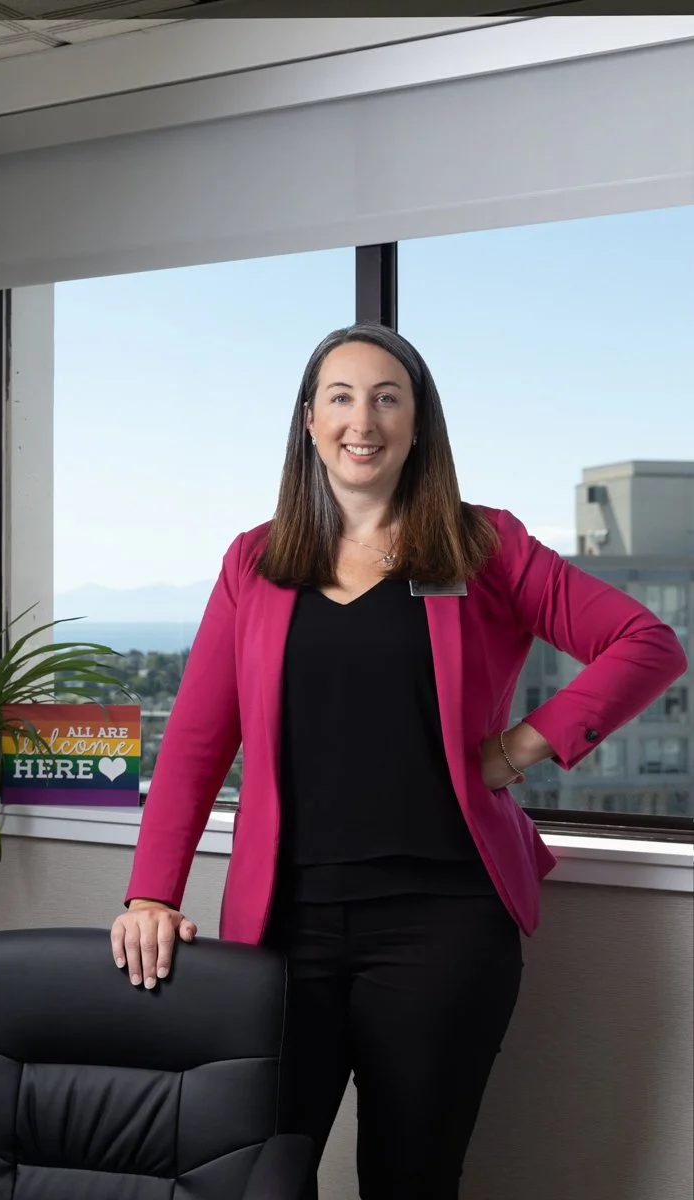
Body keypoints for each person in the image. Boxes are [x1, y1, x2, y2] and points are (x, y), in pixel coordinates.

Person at [110, 323, 687, 1199]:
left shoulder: (482, 546)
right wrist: (151, 891)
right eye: (339, 397)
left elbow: (644, 641)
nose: (362, 419)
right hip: (281, 930)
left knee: (409, 1181)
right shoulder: (254, 561)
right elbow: (194, 742)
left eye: (387, 397)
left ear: (419, 423)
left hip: (444, 926)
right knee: (259, 1175)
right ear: (308, 421)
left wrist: (522, 746)